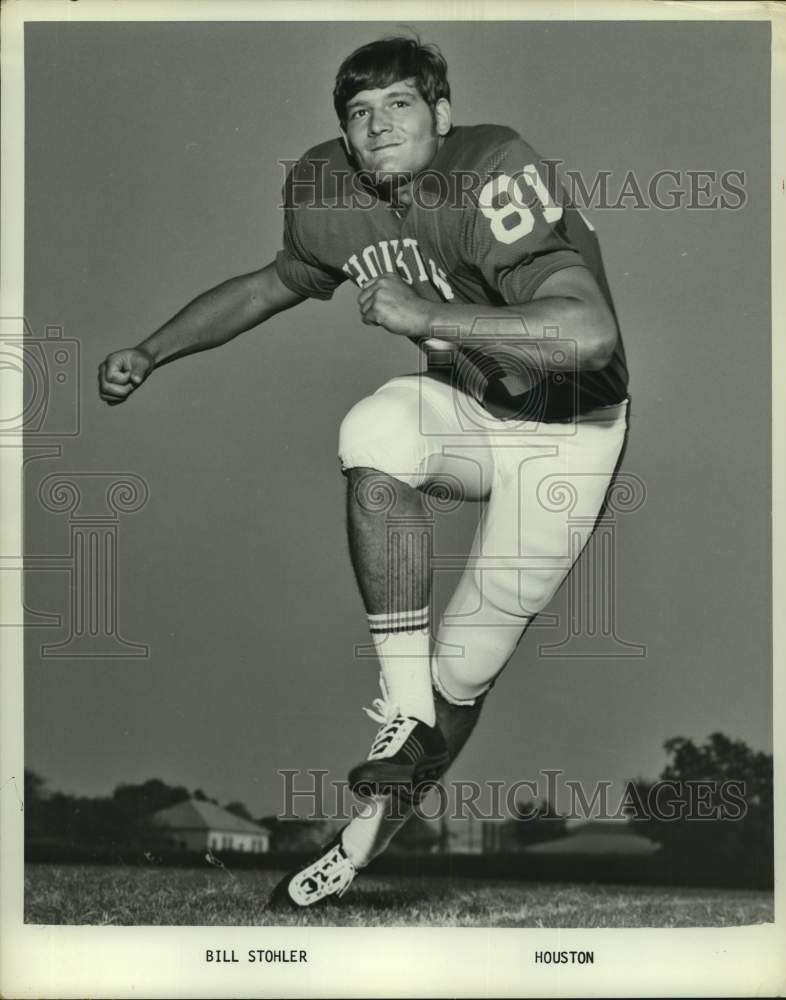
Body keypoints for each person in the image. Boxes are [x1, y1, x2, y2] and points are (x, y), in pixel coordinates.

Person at [98, 36, 629, 910]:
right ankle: (402, 708)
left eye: (399, 104)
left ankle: (356, 845)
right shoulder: (326, 190)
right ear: (342, 134)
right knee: (373, 430)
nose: (378, 124)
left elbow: (588, 333)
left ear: (442, 115)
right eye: (359, 111)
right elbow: (273, 282)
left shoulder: (491, 170)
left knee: (465, 670)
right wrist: (152, 351)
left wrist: (429, 313)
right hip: (465, 409)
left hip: (567, 432)